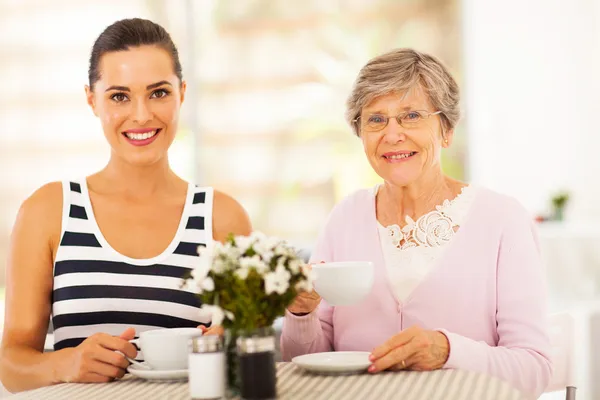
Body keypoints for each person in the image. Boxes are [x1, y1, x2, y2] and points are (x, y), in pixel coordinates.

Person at [281, 48, 552, 398]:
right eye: (376, 120)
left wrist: (448, 351)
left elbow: (533, 371)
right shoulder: (344, 217)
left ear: (447, 130)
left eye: (411, 116)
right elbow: (306, 365)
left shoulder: (503, 219)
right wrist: (301, 315)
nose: (392, 135)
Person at [0, 18, 251, 393]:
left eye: (159, 93)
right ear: (92, 100)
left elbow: (248, 352)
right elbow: (12, 364)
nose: (141, 115)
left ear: (182, 93)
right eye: (119, 96)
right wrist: (65, 362)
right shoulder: (48, 211)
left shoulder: (222, 217)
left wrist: (232, 341)